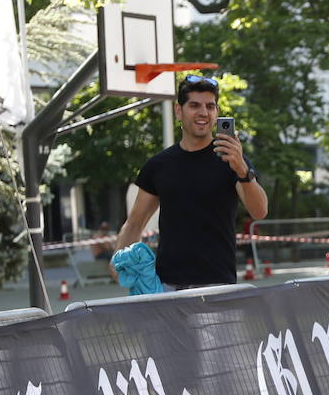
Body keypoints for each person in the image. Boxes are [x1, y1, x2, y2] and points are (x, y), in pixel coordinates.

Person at [112, 75, 268, 289]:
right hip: (168, 286)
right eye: (194, 105)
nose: (203, 112)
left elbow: (260, 211)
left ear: (217, 112)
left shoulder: (232, 159)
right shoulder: (158, 165)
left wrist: (242, 169)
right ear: (179, 111)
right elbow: (135, 222)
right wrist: (117, 262)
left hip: (218, 286)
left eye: (210, 106)